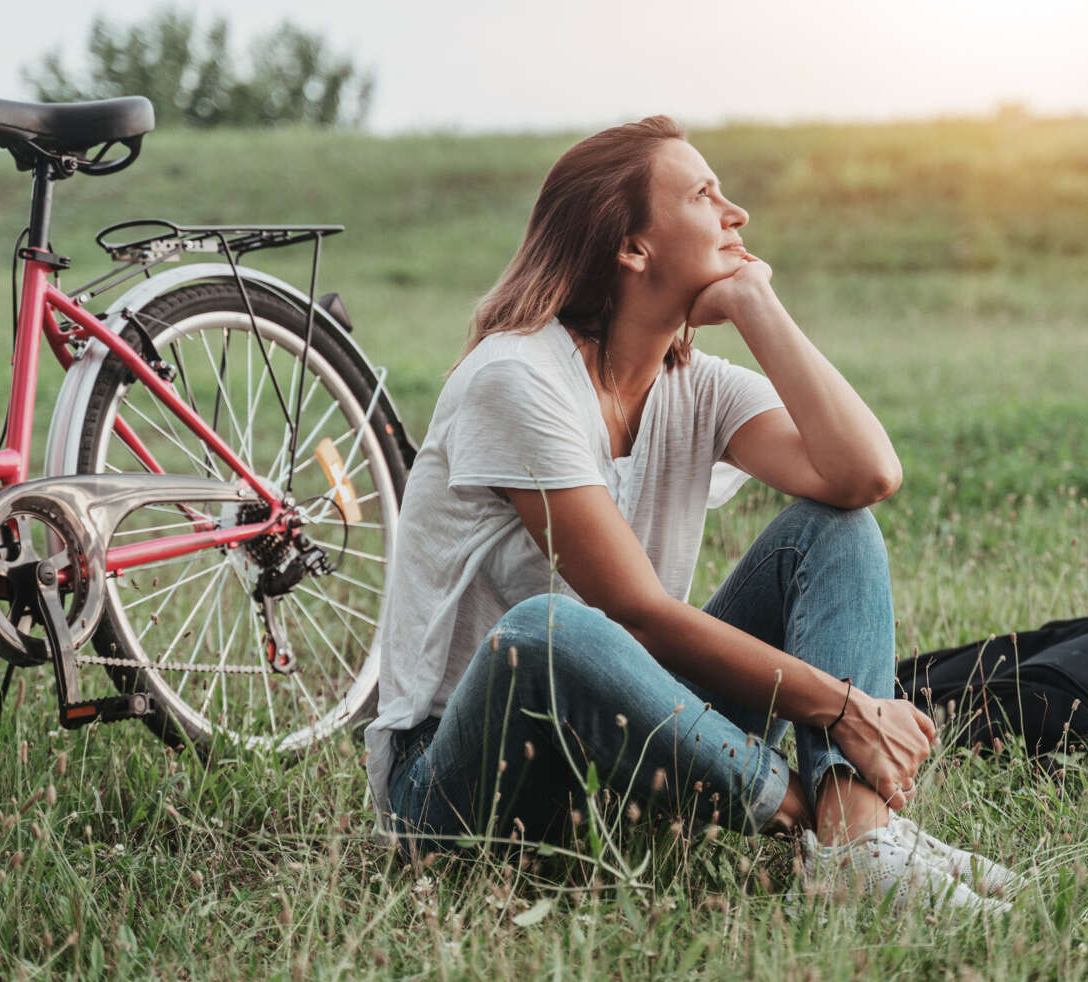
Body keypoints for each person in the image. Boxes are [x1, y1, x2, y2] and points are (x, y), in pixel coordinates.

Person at [365, 116, 1021, 914]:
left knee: (832, 529)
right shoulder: (517, 378)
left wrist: (755, 303)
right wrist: (847, 708)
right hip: (459, 785)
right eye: (705, 195)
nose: (736, 212)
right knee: (549, 631)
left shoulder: (697, 384)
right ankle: (831, 822)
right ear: (633, 248)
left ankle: (857, 846)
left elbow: (864, 474)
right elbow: (635, 614)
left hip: (619, 750)